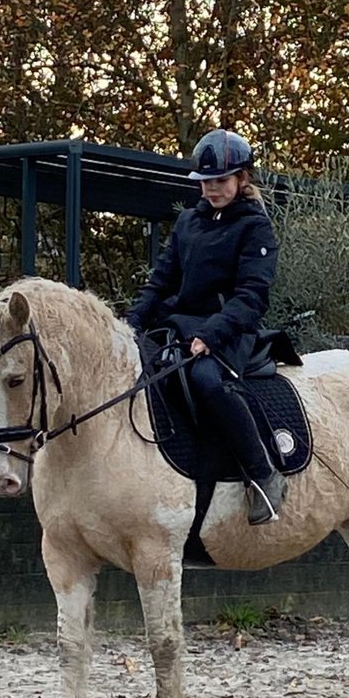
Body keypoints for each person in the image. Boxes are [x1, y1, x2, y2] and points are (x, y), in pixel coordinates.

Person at [126, 129, 288, 524]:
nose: (212, 189)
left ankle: (263, 474)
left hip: (230, 331)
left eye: (220, 181)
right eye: (206, 182)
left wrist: (212, 335)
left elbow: (251, 295)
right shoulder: (187, 223)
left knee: (205, 380)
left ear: (242, 180)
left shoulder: (255, 228)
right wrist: (129, 326)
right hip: (179, 326)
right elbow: (161, 281)